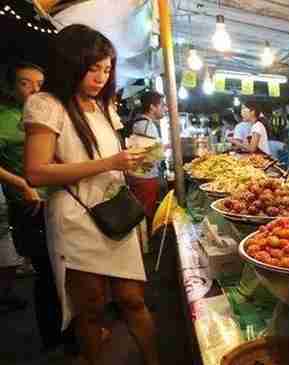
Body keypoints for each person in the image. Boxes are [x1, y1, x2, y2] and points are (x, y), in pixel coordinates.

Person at [23, 24, 159, 365]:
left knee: (133, 300)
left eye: (107, 69)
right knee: (91, 308)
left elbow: (112, 159)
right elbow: (36, 172)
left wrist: (133, 162)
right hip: (75, 218)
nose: (100, 77)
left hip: (115, 212)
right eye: (93, 67)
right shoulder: (46, 104)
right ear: (70, 63)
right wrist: (108, 162)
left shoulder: (103, 106)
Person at [0, 62, 45, 314]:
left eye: (40, 84)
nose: (34, 90)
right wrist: (22, 185)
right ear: (12, 86)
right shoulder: (5, 118)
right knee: (46, 270)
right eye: (26, 83)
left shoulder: (46, 113)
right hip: (27, 204)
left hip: (54, 199)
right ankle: (57, 341)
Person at [129, 91, 165, 231]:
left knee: (147, 211)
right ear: (152, 107)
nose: (165, 109)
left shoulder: (145, 124)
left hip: (144, 177)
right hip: (144, 178)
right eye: (162, 105)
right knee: (145, 213)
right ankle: (146, 247)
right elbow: (147, 155)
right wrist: (160, 153)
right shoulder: (145, 125)